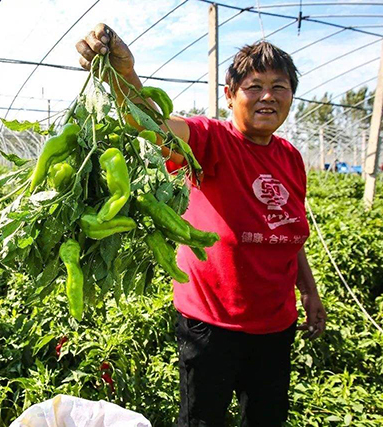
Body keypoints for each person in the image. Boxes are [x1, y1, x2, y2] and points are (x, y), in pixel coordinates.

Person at [77, 24, 327, 426]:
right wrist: (124, 74)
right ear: (229, 96)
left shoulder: (291, 157)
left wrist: (309, 292)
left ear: (292, 96)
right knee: (202, 421)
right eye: (254, 86)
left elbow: (288, 232)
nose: (268, 96)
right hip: (211, 325)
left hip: (276, 324)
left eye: (279, 87)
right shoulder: (212, 139)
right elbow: (151, 124)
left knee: (266, 419)